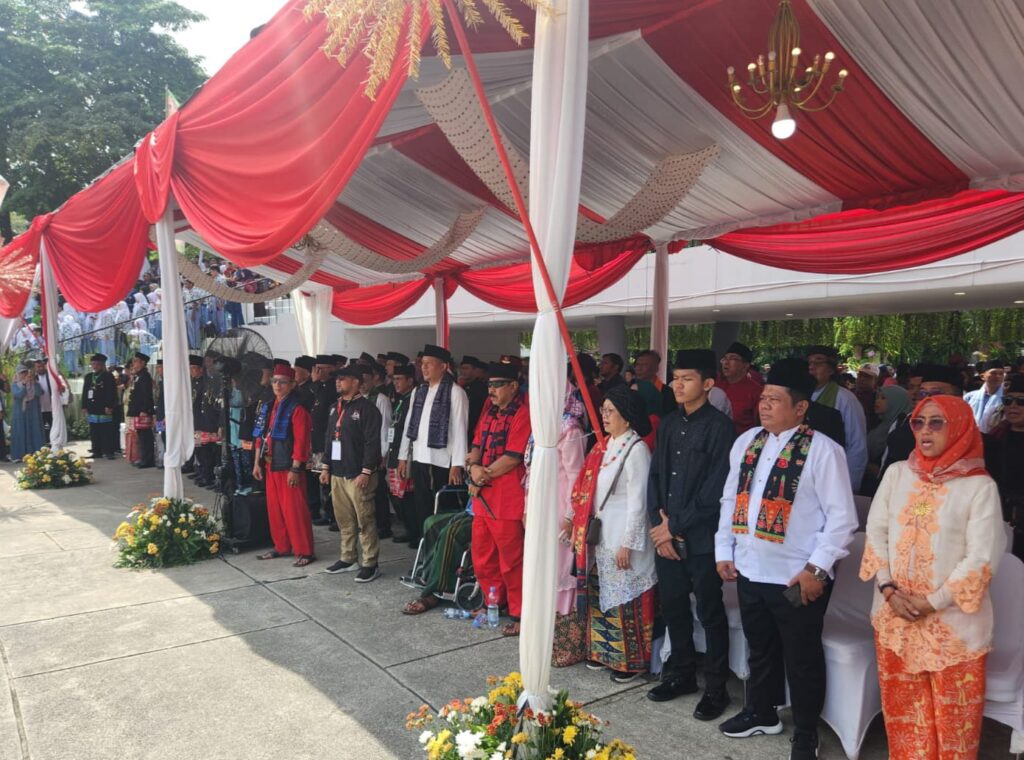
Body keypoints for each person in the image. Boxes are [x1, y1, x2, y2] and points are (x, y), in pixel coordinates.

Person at [715, 359, 858, 760]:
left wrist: (817, 568)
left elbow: (842, 519)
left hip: (797, 575)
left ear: (800, 408)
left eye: (774, 400)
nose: (764, 405)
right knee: (760, 648)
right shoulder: (747, 442)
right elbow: (730, 498)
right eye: (763, 398)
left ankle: (806, 732)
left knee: (802, 656)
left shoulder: (823, 450)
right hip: (750, 567)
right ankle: (762, 712)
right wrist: (724, 549)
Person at [860, 395, 1005, 760]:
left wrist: (932, 602)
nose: (925, 430)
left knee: (955, 726)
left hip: (953, 628)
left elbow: (983, 556)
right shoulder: (897, 473)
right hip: (895, 615)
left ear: (959, 428)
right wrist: (888, 588)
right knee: (905, 717)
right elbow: (876, 532)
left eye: (936, 422)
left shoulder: (979, 487)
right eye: (919, 422)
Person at [646, 350, 735, 720]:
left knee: (711, 612)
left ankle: (716, 688)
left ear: (708, 384)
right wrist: (660, 530)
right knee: (674, 607)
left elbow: (716, 490)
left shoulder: (721, 428)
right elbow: (655, 477)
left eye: (687, 379)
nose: (678, 385)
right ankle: (681, 674)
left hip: (701, 540)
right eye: (675, 378)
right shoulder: (669, 424)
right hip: (666, 539)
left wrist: (674, 527)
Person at [575, 386, 656, 682]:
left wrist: (628, 544)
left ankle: (631, 662)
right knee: (602, 591)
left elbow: (639, 503)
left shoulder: (637, 450)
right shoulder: (603, 445)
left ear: (628, 416)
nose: (604, 416)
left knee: (627, 597)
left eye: (611, 411)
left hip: (624, 536)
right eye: (603, 410)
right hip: (602, 534)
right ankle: (604, 653)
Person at [466, 362, 531, 637]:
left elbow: (513, 457)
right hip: (483, 497)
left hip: (506, 498)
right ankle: (493, 602)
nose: (491, 390)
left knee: (511, 560)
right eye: (489, 385)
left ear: (513, 386)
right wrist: (473, 467)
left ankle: (519, 611)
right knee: (483, 557)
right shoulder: (489, 411)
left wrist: (481, 475)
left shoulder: (523, 414)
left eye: (497, 385)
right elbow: (476, 445)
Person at [398, 344, 468, 544]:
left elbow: (460, 429)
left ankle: (442, 549)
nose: (424, 368)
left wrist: (457, 464)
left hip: (443, 461)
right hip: (419, 458)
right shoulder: (419, 391)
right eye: (422, 364)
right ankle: (426, 545)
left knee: (443, 507)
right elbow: (409, 425)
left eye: (429, 364)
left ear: (443, 366)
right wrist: (403, 456)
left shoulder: (455, 392)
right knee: (422, 504)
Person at [320, 366, 383, 582]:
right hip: (338, 472)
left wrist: (366, 471)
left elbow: (372, 443)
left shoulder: (367, 409)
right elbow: (329, 438)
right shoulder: (334, 407)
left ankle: (370, 563)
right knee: (344, 519)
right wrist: (325, 467)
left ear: (356, 382)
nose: (338, 382)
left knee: (364, 519)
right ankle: (348, 558)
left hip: (358, 474)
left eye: (343, 378)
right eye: (337, 379)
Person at [253, 363, 316, 567]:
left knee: (294, 510)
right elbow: (260, 437)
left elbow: (301, 442)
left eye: (282, 382)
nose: (277, 385)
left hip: (288, 467)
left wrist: (295, 468)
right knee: (275, 510)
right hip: (270, 465)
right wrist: (256, 463)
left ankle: (304, 550)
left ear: (292, 385)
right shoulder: (268, 406)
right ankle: (282, 546)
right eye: (275, 381)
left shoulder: (297, 409)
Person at [881, 364, 962, 478]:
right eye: (922, 394)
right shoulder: (901, 436)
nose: (927, 400)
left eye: (936, 394)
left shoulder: (981, 444)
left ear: (958, 398)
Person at [806, 345, 868, 491]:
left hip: (832, 476)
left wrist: (849, 486)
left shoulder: (845, 398)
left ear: (831, 369)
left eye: (818, 362)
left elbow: (857, 445)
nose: (812, 367)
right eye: (809, 362)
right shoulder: (799, 395)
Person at [984, 373, 1024, 560]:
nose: (1013, 406)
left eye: (1021, 401)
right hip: (1001, 521)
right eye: (1008, 400)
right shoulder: (995, 438)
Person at [385, 363, 417, 543]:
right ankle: (408, 528)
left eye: (399, 379)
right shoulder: (400, 399)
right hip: (394, 452)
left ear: (410, 380)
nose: (395, 383)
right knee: (397, 495)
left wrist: (403, 457)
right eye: (394, 379)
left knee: (407, 496)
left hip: (404, 456)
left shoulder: (413, 399)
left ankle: (413, 531)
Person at [308, 355, 338, 525]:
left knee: (329, 478)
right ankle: (327, 513)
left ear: (330, 369)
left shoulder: (332, 387)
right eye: (315, 368)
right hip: (318, 440)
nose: (317, 372)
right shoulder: (321, 386)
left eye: (320, 368)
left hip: (330, 440)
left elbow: (325, 401)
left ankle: (333, 515)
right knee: (321, 477)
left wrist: (316, 382)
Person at [188, 355, 222, 488]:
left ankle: (208, 476)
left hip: (208, 422)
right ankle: (202, 472)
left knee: (208, 451)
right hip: (198, 421)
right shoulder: (196, 382)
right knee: (199, 449)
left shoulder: (211, 382)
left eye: (193, 368)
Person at [719, 342, 762, 435]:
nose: (726, 362)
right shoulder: (716, 385)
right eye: (725, 358)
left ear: (745, 366)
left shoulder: (756, 391)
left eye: (732, 358)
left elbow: (760, 425)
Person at [83, 353, 117, 459]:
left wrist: (109, 406)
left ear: (102, 365)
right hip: (92, 407)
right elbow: (85, 392)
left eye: (97, 364)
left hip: (104, 407)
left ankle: (109, 451)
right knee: (94, 430)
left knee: (106, 430)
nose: (95, 366)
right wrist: (84, 406)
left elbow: (111, 392)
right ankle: (96, 451)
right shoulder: (89, 377)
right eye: (93, 364)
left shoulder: (108, 376)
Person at [126, 352, 156, 469]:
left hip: (143, 411)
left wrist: (144, 409)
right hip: (137, 410)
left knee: (145, 436)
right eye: (133, 361)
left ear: (143, 363)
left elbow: (146, 394)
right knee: (141, 435)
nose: (133, 364)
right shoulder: (138, 375)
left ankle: (148, 460)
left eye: (136, 361)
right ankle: (143, 458)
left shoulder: (145, 376)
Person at [9, 365, 44, 461]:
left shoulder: (34, 383)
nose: (24, 374)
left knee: (34, 430)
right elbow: (19, 395)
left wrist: (34, 382)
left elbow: (39, 393)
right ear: (17, 374)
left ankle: (36, 453)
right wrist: (24, 384)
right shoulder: (15, 385)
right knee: (20, 432)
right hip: (20, 413)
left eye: (25, 372)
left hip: (33, 412)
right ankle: (20, 455)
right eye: (21, 373)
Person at [964, 359, 1005, 432]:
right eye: (993, 373)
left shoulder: (1006, 398)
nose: (998, 376)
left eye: (1001, 374)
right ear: (982, 376)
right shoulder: (969, 397)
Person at [459, 355, 488, 442]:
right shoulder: (461, 387)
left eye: (466, 368)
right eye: (462, 368)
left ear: (475, 370)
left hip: (475, 431)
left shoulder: (481, 388)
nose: (463, 371)